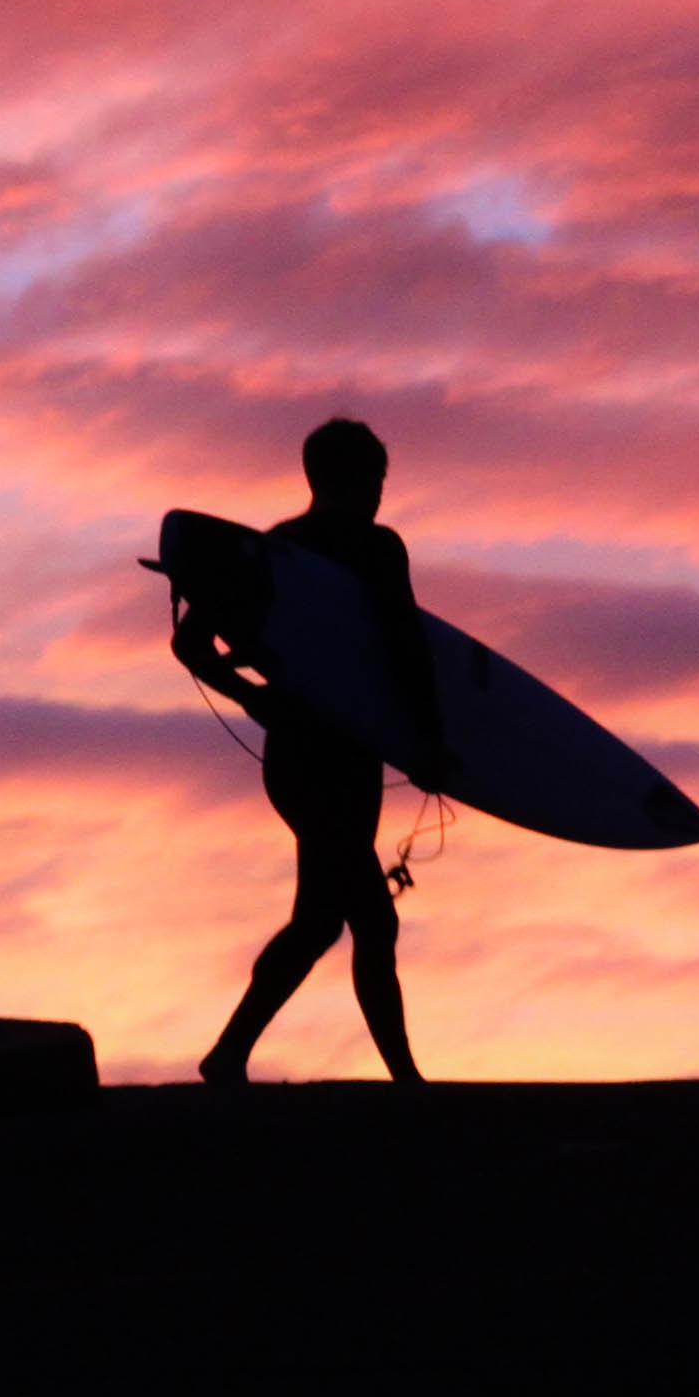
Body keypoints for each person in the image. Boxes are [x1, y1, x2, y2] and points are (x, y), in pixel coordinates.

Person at [178, 415, 449, 1085]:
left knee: (320, 920)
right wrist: (251, 698)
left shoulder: (308, 550)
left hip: (337, 753)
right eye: (370, 479)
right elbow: (406, 652)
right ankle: (407, 1081)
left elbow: (404, 651)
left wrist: (249, 694)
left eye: (380, 481)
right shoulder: (332, 551)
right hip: (315, 756)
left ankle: (229, 1054)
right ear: (335, 478)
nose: (377, 492)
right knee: (372, 921)